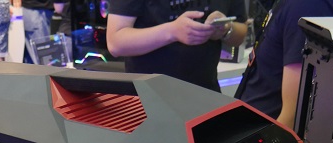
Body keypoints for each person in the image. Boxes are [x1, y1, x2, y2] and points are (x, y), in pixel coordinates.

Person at [235, 0, 333, 129]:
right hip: (254, 128)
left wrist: (272, 141)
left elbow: (294, 112)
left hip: (266, 132)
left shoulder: (307, 5)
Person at [106, 1, 248, 92]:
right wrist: (172, 32)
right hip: (149, 100)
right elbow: (115, 42)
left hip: (206, 94)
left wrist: (225, 29)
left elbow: (241, 31)